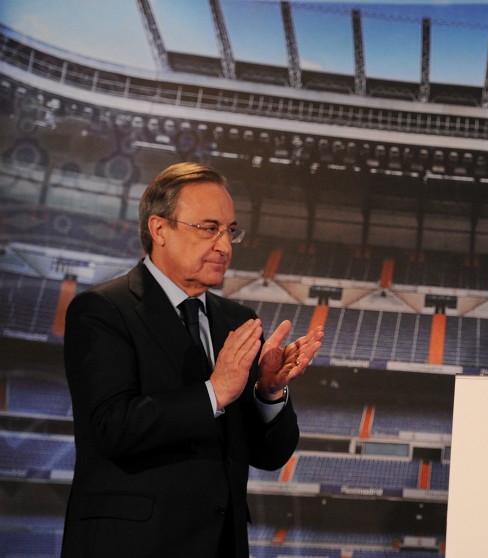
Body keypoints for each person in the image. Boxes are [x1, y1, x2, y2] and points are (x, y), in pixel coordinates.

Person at [62, 162, 324, 557]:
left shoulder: (239, 321)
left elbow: (270, 456)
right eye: (208, 228)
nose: (225, 245)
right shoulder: (101, 310)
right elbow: (111, 427)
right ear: (159, 229)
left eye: (230, 230)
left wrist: (268, 393)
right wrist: (214, 393)